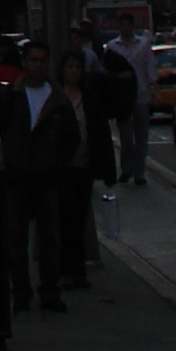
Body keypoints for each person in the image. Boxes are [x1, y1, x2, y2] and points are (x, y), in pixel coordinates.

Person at [0, 42, 77, 313]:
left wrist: (56, 164)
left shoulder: (58, 100)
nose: (38, 66)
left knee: (50, 239)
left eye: (43, 61)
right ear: (25, 63)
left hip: (46, 177)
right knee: (16, 240)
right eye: (34, 61)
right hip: (17, 177)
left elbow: (71, 138)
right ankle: (20, 292)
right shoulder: (12, 96)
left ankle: (50, 292)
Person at [52, 52, 116, 293]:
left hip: (84, 164)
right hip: (62, 166)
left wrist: (106, 169)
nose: (74, 71)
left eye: (78, 67)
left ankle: (77, 270)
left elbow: (101, 134)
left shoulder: (89, 98)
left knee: (79, 220)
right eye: (70, 67)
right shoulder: (56, 97)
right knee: (64, 219)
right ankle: (66, 271)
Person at [106, 15, 154, 185]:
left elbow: (150, 70)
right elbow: (107, 72)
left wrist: (153, 90)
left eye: (128, 25)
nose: (126, 28)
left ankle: (139, 173)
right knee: (126, 137)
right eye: (123, 25)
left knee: (141, 137)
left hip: (141, 95)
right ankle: (126, 168)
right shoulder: (112, 47)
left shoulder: (144, 45)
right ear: (119, 27)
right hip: (123, 99)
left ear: (133, 26)